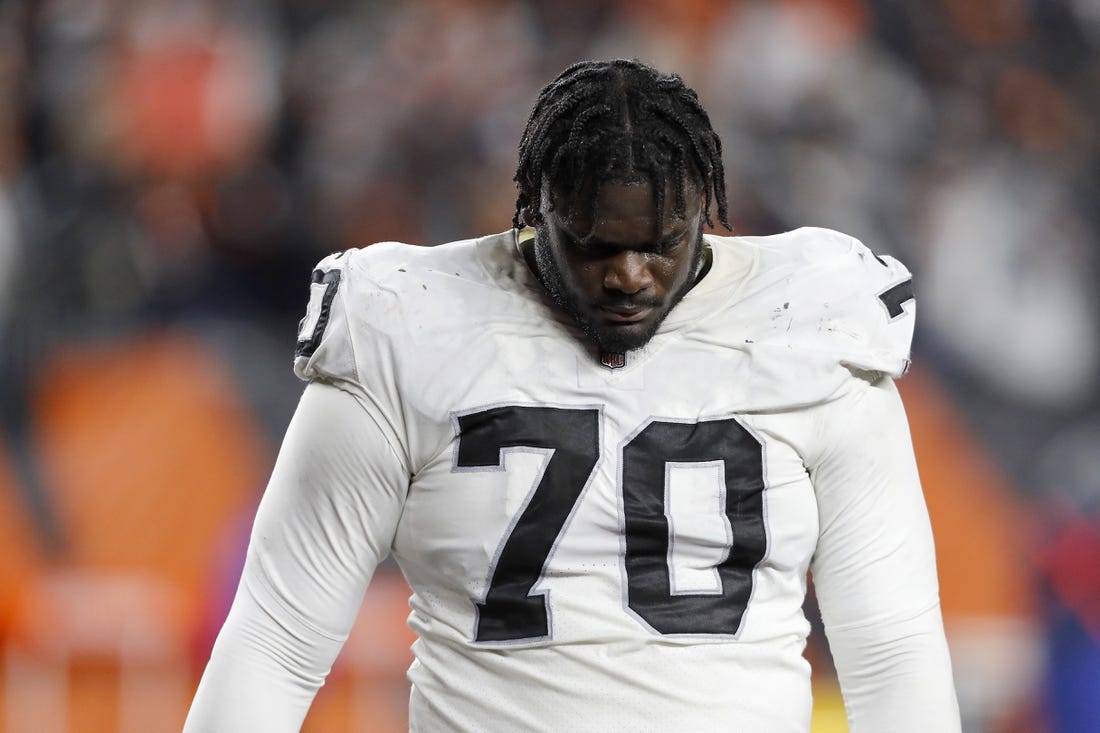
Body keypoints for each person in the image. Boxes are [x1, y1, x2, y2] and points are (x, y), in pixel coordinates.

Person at [184, 59, 960, 732]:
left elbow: (891, 649)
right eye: (595, 243)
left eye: (662, 243)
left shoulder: (813, 327)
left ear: (706, 215)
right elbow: (277, 639)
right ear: (533, 211)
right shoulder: (406, 327)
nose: (629, 275)